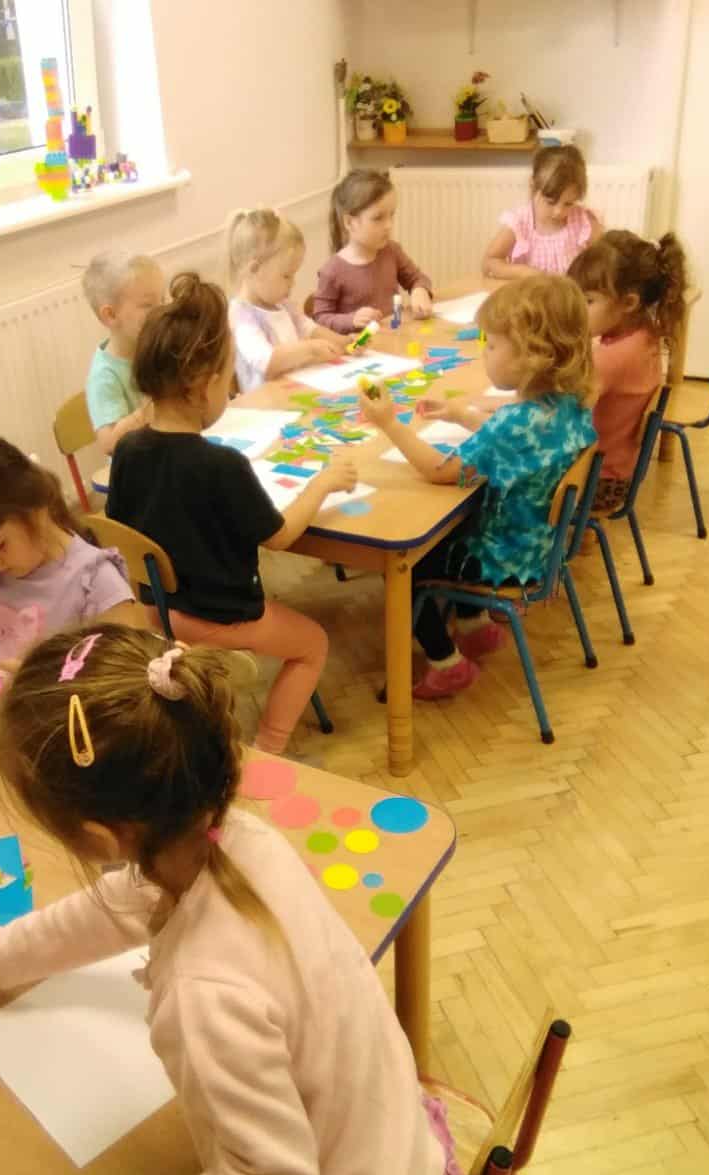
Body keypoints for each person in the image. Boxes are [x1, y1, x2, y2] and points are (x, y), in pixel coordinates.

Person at [0, 626, 477, 1175]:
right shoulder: (239, 838)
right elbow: (122, 903)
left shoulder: (202, 994)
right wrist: (9, 949)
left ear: (101, 839)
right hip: (402, 1144)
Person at [105, 272, 357, 752]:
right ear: (204, 386)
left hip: (157, 610)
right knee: (313, 645)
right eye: (229, 377)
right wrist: (322, 483)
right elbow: (280, 537)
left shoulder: (129, 450)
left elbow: (122, 529)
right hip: (220, 617)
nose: (231, 388)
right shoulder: (221, 465)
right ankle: (269, 749)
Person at [360, 275, 597, 698]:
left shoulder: (513, 423)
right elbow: (513, 443)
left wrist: (389, 423)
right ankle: (474, 625)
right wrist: (462, 415)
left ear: (531, 357)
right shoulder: (567, 405)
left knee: (406, 564)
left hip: (501, 558)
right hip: (539, 547)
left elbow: (439, 470)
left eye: (491, 345)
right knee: (453, 525)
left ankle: (446, 663)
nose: (483, 353)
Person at [0, 436, 138, 714]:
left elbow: (121, 680)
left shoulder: (96, 581)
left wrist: (41, 682)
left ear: (36, 510)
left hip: (56, 719)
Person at [566, 229, 689, 511]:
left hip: (594, 481)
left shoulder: (612, 359)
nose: (575, 310)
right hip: (618, 472)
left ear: (629, 302)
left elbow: (558, 414)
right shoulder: (644, 332)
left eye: (588, 301)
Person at [226, 207, 350, 393]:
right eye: (286, 276)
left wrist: (343, 342)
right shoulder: (241, 314)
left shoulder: (282, 303)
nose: (293, 283)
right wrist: (310, 350)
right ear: (255, 269)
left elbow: (309, 329)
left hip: (296, 392)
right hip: (267, 403)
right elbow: (266, 361)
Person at [312, 168, 434, 333]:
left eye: (391, 215)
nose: (389, 225)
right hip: (359, 347)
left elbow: (417, 278)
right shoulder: (332, 271)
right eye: (378, 218)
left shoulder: (392, 251)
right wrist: (351, 320)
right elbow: (320, 318)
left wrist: (420, 290)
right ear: (349, 222)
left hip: (393, 340)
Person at [82, 250, 166, 454]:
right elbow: (110, 443)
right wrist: (152, 409)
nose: (162, 311)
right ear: (111, 315)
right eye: (148, 305)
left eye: (163, 301)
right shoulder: (104, 376)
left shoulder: (153, 345)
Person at [482, 145, 602, 279]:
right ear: (533, 185)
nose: (558, 211)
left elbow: (604, 263)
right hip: (530, 292)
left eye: (568, 204)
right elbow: (489, 263)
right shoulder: (520, 222)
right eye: (550, 202)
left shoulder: (585, 222)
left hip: (571, 292)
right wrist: (526, 273)